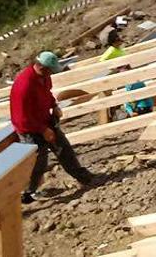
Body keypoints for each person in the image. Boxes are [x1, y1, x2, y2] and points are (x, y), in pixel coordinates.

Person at [10, 51, 94, 203]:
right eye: (50, 71)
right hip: (30, 129)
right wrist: (43, 130)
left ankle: (84, 177)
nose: (51, 74)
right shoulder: (24, 85)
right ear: (41, 67)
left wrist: (53, 105)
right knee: (38, 163)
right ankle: (29, 193)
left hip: (45, 120)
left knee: (64, 149)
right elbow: (21, 118)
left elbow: (46, 93)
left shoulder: (44, 77)